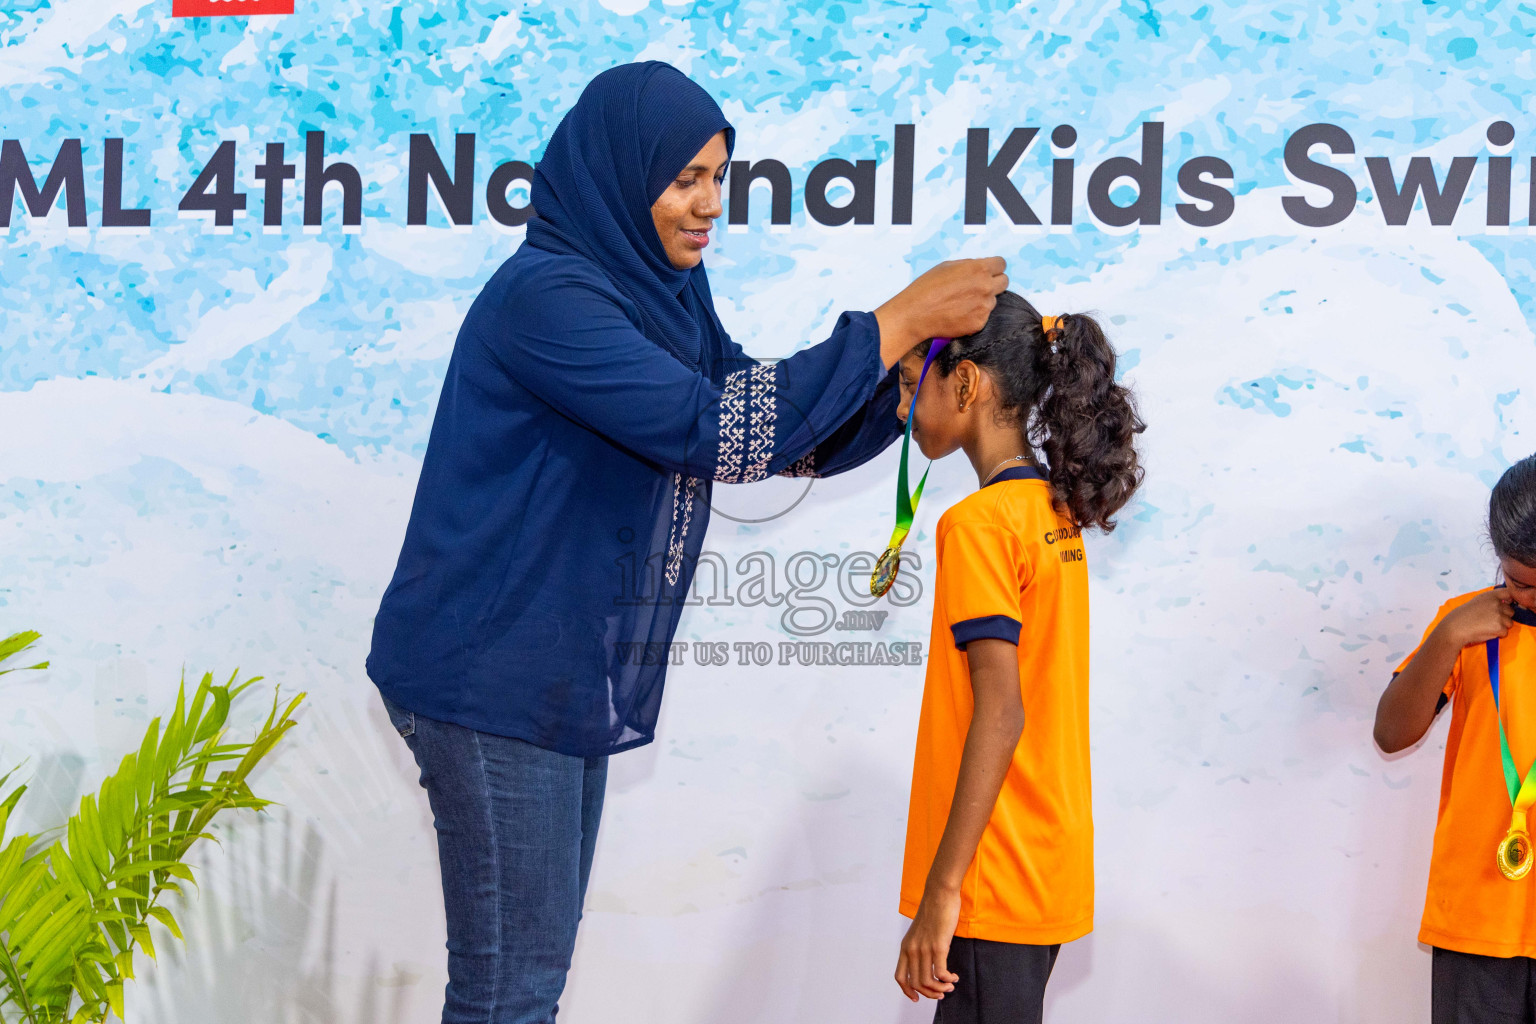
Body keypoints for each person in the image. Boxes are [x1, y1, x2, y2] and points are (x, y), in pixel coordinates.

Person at [365, 60, 1009, 1024]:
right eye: (685, 180)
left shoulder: (665, 296)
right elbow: (720, 431)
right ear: (620, 178)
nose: (710, 205)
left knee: (521, 988)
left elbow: (770, 435)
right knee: (510, 996)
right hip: (488, 674)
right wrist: (895, 321)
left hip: (550, 673)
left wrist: (899, 372)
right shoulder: (547, 297)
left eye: (719, 177)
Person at [891, 292, 1145, 1023]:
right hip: (1042, 856)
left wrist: (944, 892)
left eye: (913, 386)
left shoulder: (977, 525)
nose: (904, 410)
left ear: (965, 385)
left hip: (993, 873)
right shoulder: (1051, 512)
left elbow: (1001, 712)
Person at [1374, 453, 1536, 1024]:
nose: (1533, 597)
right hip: (1477, 921)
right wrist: (1446, 637)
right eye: (1520, 582)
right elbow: (1392, 733)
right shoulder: (1464, 625)